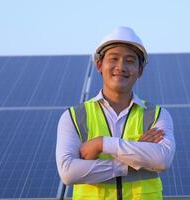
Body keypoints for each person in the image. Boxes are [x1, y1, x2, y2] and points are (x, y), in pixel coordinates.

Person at [56, 26, 175, 200]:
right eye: (114, 59)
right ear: (99, 65)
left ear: (140, 70)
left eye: (130, 61)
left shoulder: (157, 115)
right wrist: (131, 160)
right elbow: (68, 172)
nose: (121, 67)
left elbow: (162, 160)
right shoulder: (73, 116)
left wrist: (102, 144)